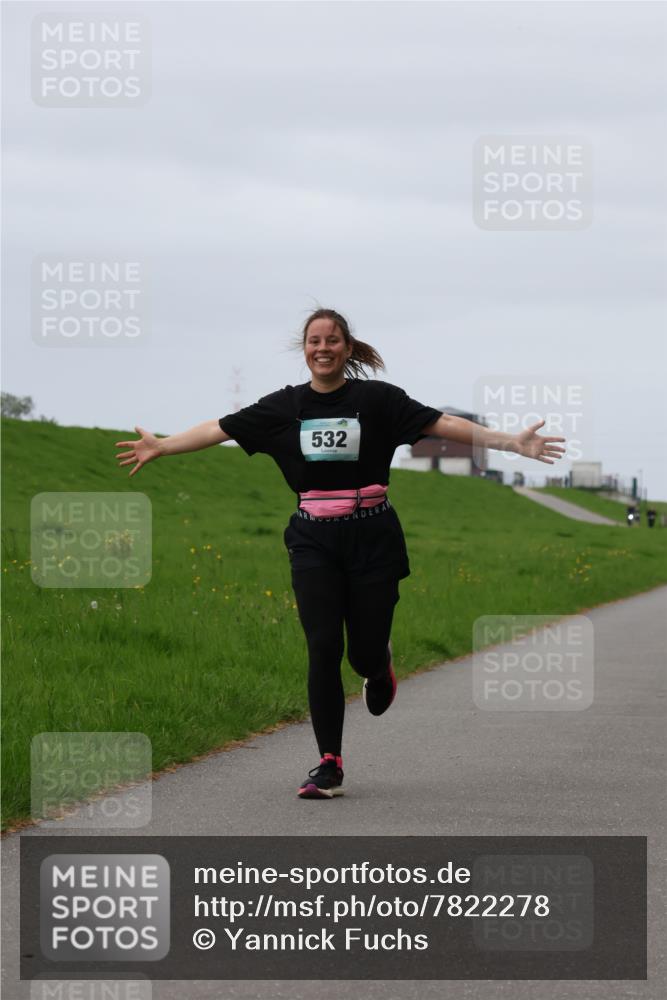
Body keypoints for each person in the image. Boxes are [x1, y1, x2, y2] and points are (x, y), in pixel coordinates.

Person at [115, 308, 565, 799]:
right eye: (314, 341)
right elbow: (218, 428)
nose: (322, 348)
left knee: (363, 652)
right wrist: (162, 445)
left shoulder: (377, 400)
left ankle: (379, 665)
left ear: (348, 349)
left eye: (332, 340)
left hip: (372, 535)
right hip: (313, 540)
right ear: (304, 350)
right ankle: (329, 762)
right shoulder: (284, 407)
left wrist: (510, 443)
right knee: (322, 646)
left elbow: (442, 423)